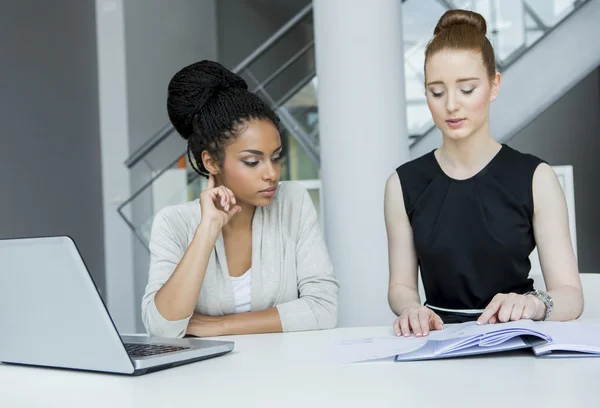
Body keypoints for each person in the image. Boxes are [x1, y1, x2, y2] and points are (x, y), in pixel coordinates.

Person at [384, 9, 583, 337]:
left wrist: (533, 305)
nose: (451, 105)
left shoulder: (536, 177)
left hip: (518, 338)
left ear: (494, 85)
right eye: (437, 91)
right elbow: (401, 285)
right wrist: (411, 309)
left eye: (467, 89)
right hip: (438, 343)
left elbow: (571, 296)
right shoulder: (402, 184)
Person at [141, 60, 339, 339]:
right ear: (211, 162)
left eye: (276, 157)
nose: (271, 173)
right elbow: (162, 327)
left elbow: (323, 308)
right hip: (203, 380)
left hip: (287, 372)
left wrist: (219, 326)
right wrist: (207, 230)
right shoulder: (173, 223)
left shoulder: (292, 203)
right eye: (251, 161)